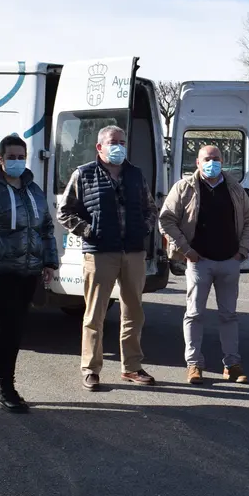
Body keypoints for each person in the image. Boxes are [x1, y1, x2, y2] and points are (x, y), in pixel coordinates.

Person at [0, 134, 59, 413]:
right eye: (11, 157)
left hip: (26, 271)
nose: (17, 162)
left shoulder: (34, 190)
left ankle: (0, 382)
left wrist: (49, 262)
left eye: (21, 157)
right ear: (0, 159)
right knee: (7, 326)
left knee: (14, 328)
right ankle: (6, 387)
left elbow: (46, 228)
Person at [58, 125, 159, 392]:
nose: (119, 146)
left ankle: (132, 367)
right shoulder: (84, 174)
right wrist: (89, 231)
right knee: (95, 314)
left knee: (133, 312)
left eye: (122, 142)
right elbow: (64, 211)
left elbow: (151, 208)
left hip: (133, 252)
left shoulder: (135, 174)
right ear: (100, 147)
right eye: (113, 142)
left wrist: (145, 228)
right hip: (100, 253)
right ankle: (90, 369)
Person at [159, 144, 249, 385]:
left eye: (215, 158)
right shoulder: (183, 188)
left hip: (229, 262)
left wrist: (242, 252)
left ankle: (232, 364)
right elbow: (166, 220)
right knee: (194, 314)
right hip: (198, 262)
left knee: (229, 316)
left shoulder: (234, 188)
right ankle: (194, 364)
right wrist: (187, 250)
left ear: (222, 161)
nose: (211, 162)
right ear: (197, 162)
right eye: (207, 158)